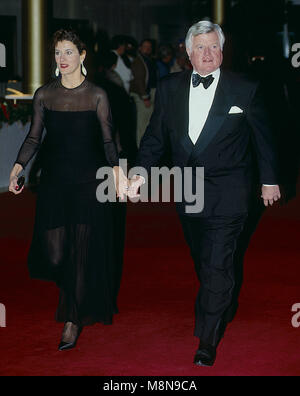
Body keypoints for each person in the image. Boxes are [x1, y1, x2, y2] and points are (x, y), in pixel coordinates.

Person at [128, 20, 281, 367]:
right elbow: (154, 139)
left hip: (230, 190)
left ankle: (207, 339)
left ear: (222, 51)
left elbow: (263, 139)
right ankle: (221, 296)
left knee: (216, 262)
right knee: (204, 259)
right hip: (188, 191)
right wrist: (139, 173)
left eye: (214, 46)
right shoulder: (169, 88)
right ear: (188, 53)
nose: (208, 54)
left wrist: (269, 180)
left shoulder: (245, 88)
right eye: (201, 47)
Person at [9, 29, 128, 351]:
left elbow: (108, 140)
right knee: (57, 252)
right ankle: (75, 295)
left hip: (90, 182)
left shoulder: (97, 95)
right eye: (58, 53)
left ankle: (72, 320)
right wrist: (18, 168)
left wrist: (118, 172)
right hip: (55, 183)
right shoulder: (45, 95)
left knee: (80, 254)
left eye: (68, 53)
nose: (62, 59)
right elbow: (34, 137)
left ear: (82, 56)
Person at [130, 39, 157, 147]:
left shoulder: (148, 60)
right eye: (145, 46)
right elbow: (139, 80)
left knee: (148, 122)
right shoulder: (138, 61)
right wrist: (145, 97)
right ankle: (140, 147)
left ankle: (145, 146)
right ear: (140, 48)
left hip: (149, 92)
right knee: (143, 123)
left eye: (149, 47)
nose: (148, 49)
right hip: (142, 96)